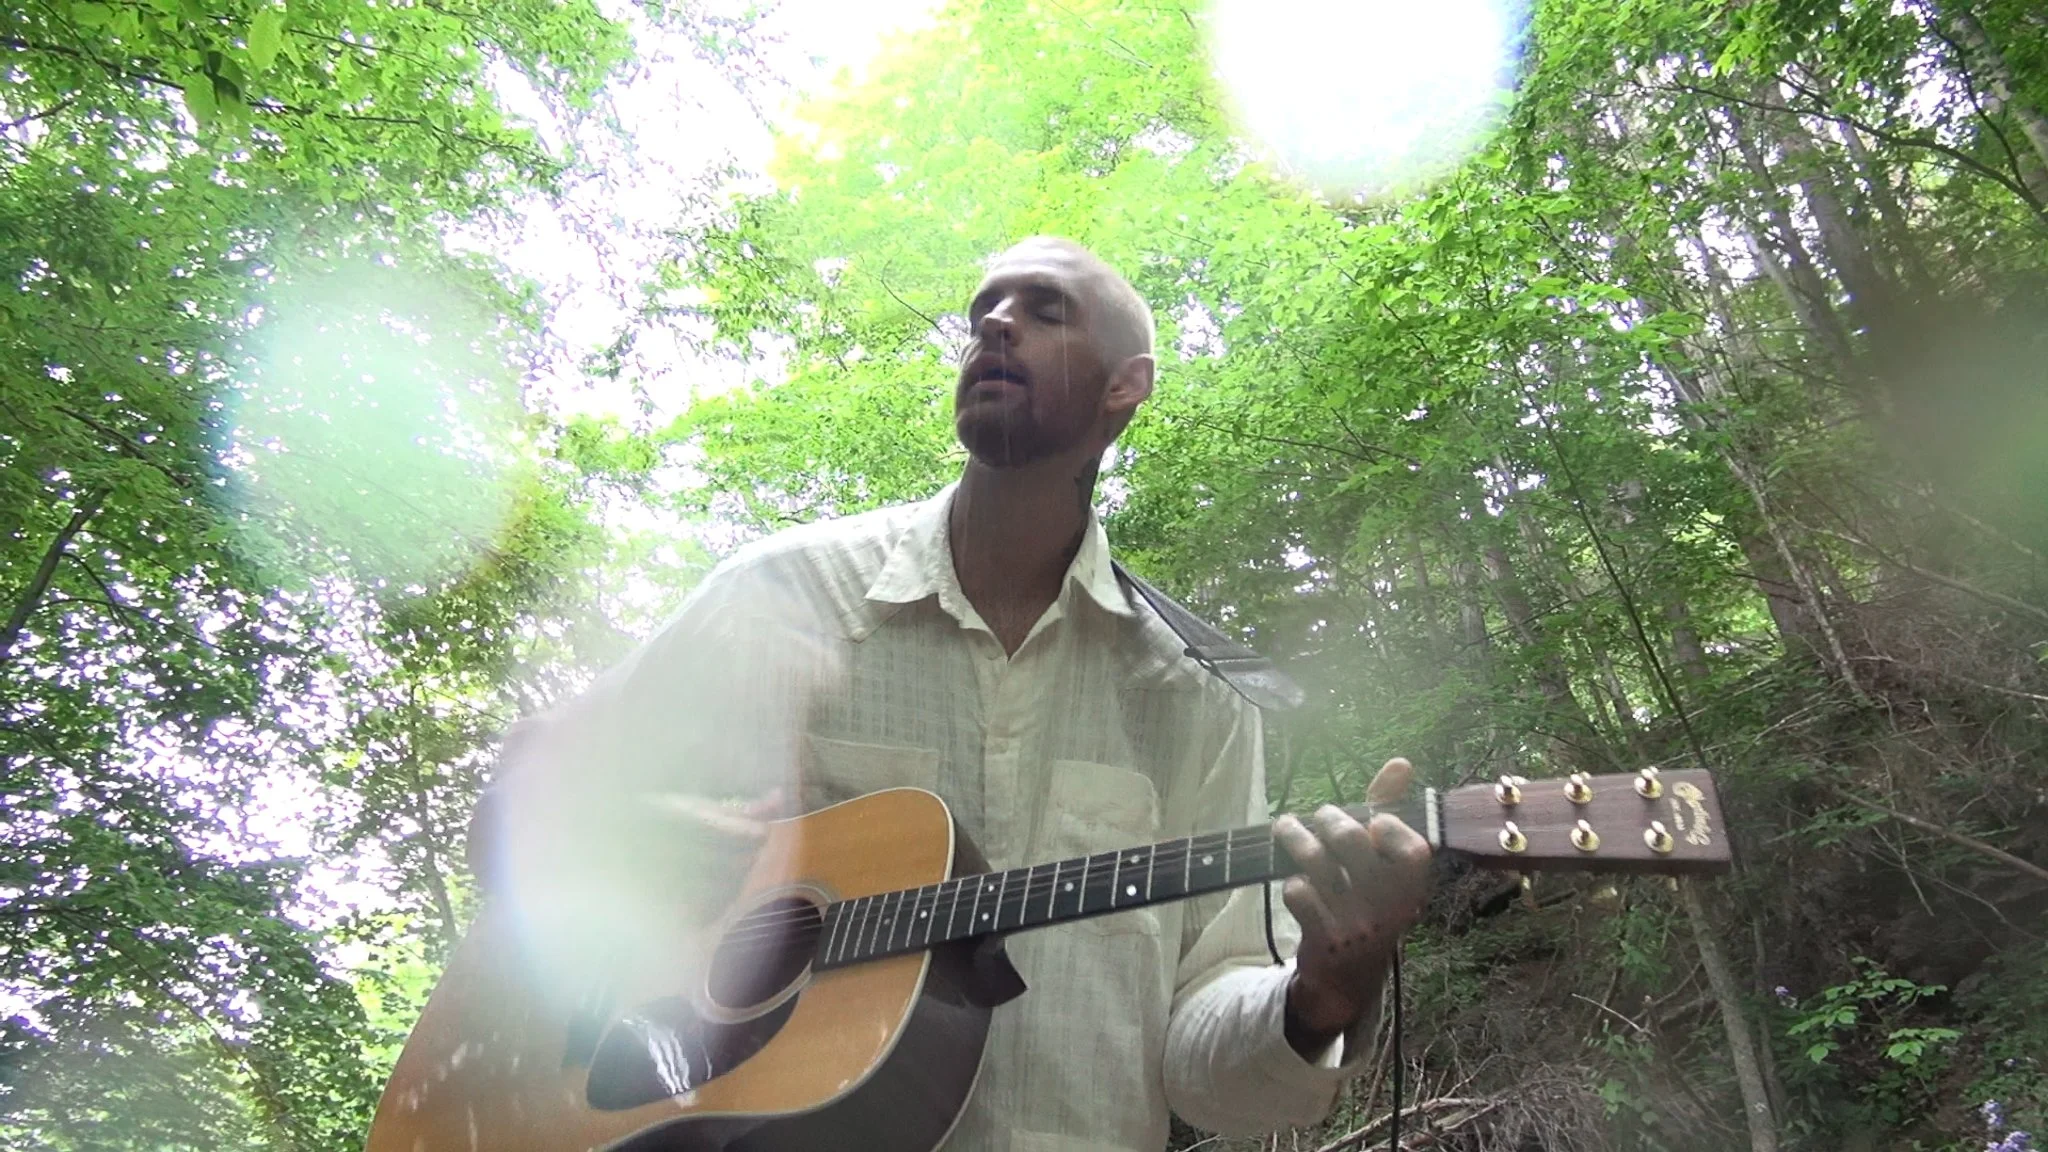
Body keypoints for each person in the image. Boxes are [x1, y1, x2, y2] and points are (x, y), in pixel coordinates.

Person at [473, 236, 1434, 1151]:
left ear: (1126, 385)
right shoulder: (780, 598)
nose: (996, 325)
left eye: (1046, 310)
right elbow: (525, 797)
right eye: (983, 313)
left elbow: (1207, 1076)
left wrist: (1323, 994)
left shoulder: (1193, 694)